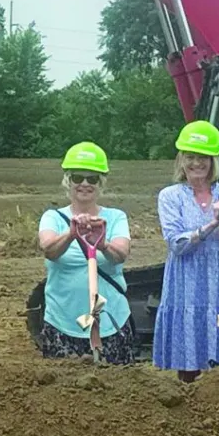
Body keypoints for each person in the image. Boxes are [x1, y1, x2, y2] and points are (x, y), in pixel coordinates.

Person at [153, 120, 219, 382]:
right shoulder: (170, 196)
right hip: (185, 287)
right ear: (181, 160)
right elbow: (177, 244)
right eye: (190, 157)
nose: (196, 163)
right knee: (188, 364)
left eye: (203, 158)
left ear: (213, 161)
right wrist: (212, 224)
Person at [34, 141, 136, 364]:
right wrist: (71, 234)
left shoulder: (116, 217)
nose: (85, 184)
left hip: (111, 323)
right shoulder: (52, 217)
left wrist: (101, 243)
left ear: (101, 183)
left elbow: (120, 254)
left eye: (92, 179)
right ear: (67, 181)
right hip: (62, 324)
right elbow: (49, 250)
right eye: (77, 177)